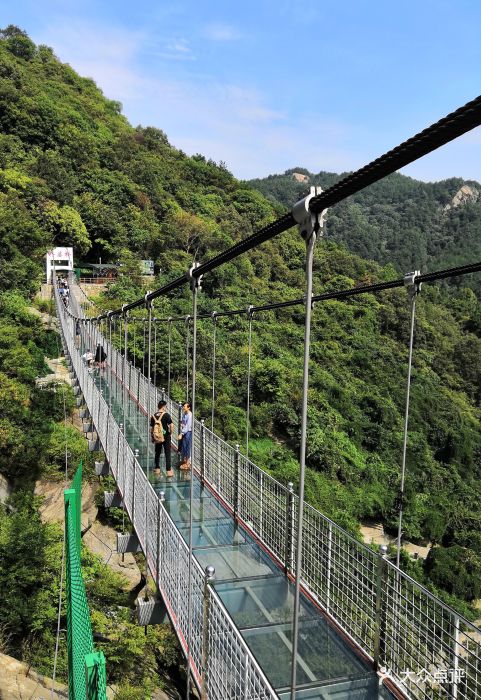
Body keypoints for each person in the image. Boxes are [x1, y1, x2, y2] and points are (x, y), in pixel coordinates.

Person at [150, 401, 173, 477]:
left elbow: (152, 428)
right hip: (165, 436)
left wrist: (152, 437)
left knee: (157, 452)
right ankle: (168, 471)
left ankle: (157, 468)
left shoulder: (153, 416)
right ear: (163, 407)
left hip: (157, 436)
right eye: (165, 406)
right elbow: (171, 425)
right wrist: (170, 433)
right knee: (167, 453)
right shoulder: (166, 415)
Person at [178, 402, 192, 470]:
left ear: (188, 408)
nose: (183, 407)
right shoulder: (184, 414)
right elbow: (183, 423)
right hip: (184, 432)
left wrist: (182, 433)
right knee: (183, 446)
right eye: (183, 406)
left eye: (184, 406)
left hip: (188, 432)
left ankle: (187, 463)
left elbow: (188, 426)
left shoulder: (190, 415)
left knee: (187, 447)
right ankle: (185, 462)